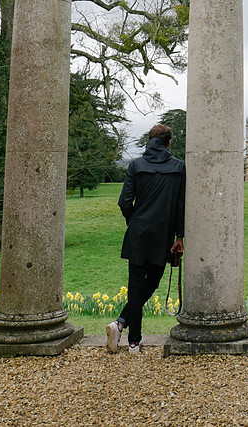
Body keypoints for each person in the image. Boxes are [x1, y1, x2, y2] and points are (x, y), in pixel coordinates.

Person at [106, 124, 185, 354]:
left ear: (149, 141)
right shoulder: (178, 167)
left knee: (136, 285)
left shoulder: (135, 166)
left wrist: (135, 221)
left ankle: (130, 338)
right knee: (152, 281)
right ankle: (124, 328)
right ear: (169, 143)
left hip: (138, 233)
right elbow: (180, 205)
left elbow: (124, 202)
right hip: (163, 234)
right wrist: (179, 237)